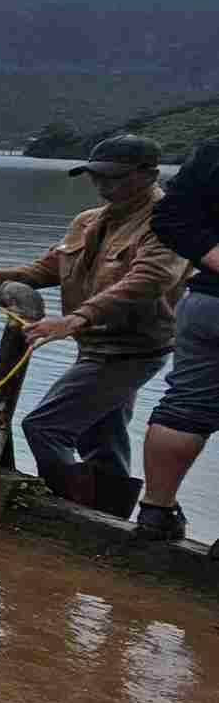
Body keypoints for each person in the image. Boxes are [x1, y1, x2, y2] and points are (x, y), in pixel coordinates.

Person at [0, 134, 185, 518]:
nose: (103, 184)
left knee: (45, 427)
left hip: (131, 350)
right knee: (100, 435)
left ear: (149, 175)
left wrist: (75, 319)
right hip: (94, 345)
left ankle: (67, 514)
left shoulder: (169, 223)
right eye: (96, 176)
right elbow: (48, 269)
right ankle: (110, 519)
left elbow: (148, 281)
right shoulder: (87, 221)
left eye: (114, 177)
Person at [142, 137, 219, 543]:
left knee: (185, 405)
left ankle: (156, 511)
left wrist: (213, 256)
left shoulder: (215, 150)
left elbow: (170, 216)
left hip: (208, 302)